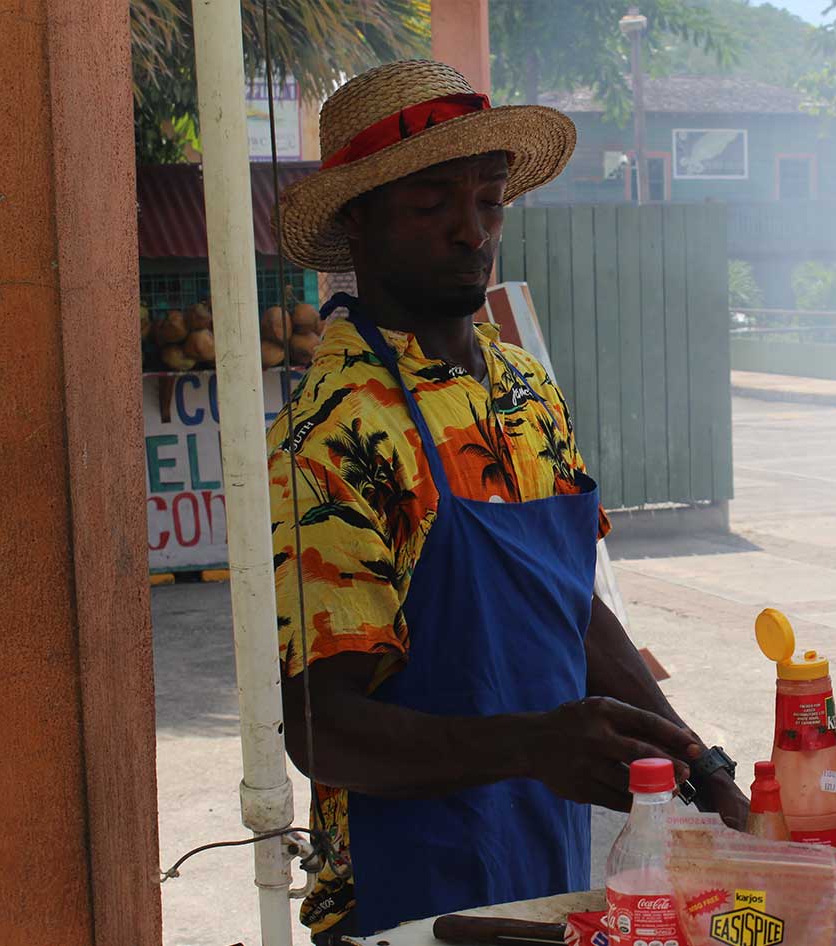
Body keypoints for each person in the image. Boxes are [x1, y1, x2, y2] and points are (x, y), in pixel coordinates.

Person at [267, 60, 748, 942]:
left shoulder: (522, 384)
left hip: (546, 863)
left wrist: (699, 764)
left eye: (489, 201)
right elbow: (323, 730)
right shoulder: (335, 430)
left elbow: (575, 611)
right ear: (357, 223)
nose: (471, 232)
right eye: (432, 204)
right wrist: (531, 745)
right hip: (406, 889)